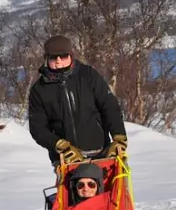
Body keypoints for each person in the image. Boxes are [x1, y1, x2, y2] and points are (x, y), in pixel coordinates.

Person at [28, 35, 128, 168]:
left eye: (63, 56)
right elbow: (38, 129)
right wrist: (59, 145)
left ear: (71, 56)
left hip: (100, 151)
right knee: (76, 189)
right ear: (46, 59)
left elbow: (109, 105)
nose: (58, 61)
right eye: (53, 57)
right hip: (66, 159)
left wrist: (119, 135)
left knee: (115, 187)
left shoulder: (88, 75)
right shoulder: (38, 90)